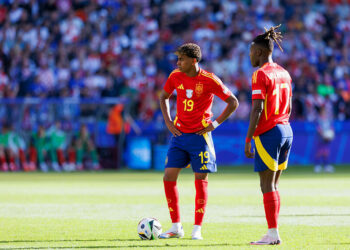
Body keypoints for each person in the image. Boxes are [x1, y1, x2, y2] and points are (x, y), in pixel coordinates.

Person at [159, 43, 239, 240]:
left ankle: (197, 228)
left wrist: (215, 124)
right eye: (177, 59)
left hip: (200, 137)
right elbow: (164, 97)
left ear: (194, 61)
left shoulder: (209, 80)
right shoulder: (175, 76)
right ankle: (176, 227)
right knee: (168, 177)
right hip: (179, 135)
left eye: (181, 59)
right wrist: (169, 122)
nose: (178, 63)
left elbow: (233, 102)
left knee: (200, 180)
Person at [244, 25, 293, 245]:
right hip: (286, 129)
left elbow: (257, 109)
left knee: (266, 185)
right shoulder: (284, 72)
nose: (250, 55)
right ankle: (273, 231)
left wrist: (248, 138)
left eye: (252, 52)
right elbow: (289, 105)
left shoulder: (260, 74)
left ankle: (273, 234)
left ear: (261, 52)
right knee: (274, 185)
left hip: (269, 132)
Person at [314, 105, 335, 173]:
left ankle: (326, 166)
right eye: (323, 111)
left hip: (327, 138)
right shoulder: (319, 119)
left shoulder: (328, 120)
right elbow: (318, 128)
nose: (324, 112)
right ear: (320, 112)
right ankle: (317, 166)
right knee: (320, 152)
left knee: (326, 152)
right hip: (321, 138)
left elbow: (331, 127)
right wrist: (323, 134)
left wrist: (331, 134)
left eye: (325, 111)